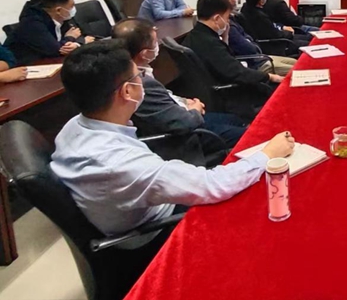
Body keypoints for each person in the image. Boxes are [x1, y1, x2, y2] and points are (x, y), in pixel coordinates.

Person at [50, 41, 295, 247]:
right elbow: (213, 185)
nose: (143, 79)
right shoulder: (123, 164)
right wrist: (267, 154)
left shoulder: (74, 126)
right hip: (156, 230)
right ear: (127, 91)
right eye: (139, 75)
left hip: (131, 204)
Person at [112, 18, 249, 148]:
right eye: (155, 42)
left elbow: (162, 99)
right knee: (246, 135)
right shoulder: (140, 84)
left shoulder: (125, 71)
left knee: (235, 120)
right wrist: (195, 110)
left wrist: (183, 101)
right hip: (184, 136)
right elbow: (184, 123)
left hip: (179, 112)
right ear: (144, 54)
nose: (158, 44)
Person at [181, 0, 282, 116]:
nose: (228, 21)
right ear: (217, 18)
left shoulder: (197, 35)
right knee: (273, 88)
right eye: (227, 17)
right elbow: (237, 72)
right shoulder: (210, 43)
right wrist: (269, 76)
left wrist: (225, 38)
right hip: (229, 94)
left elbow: (224, 63)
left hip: (215, 88)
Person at [210, 0, 297, 76]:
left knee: (296, 63)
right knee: (299, 69)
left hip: (260, 57)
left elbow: (248, 37)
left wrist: (250, 42)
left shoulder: (235, 17)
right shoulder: (226, 25)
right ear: (228, 0)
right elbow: (248, 48)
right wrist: (251, 43)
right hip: (255, 64)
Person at [5, 0, 94, 65]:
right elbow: (56, 50)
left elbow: (82, 34)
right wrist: (71, 38)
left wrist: (77, 43)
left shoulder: (63, 17)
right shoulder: (32, 23)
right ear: (58, 10)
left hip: (51, 63)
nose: (73, 9)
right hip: (24, 66)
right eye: (72, 6)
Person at [240, 0, 308, 55]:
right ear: (261, 1)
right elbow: (276, 35)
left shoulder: (244, 9)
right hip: (275, 46)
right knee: (308, 44)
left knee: (305, 38)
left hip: (267, 41)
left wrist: (282, 28)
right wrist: (289, 33)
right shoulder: (260, 17)